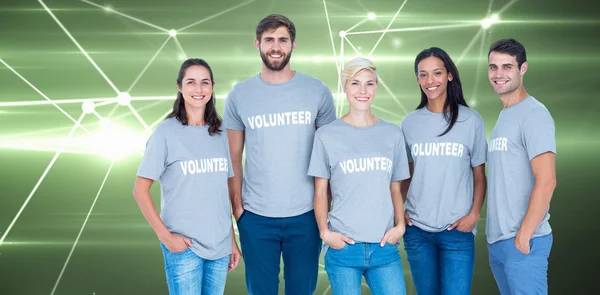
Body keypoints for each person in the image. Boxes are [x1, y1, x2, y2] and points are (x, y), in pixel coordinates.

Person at [222, 14, 337, 295]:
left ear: (293, 45)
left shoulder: (317, 91)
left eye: (282, 40)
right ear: (257, 44)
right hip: (256, 216)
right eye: (269, 40)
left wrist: (329, 207)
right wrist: (238, 209)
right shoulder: (239, 95)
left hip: (307, 214)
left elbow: (333, 156)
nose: (276, 47)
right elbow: (232, 158)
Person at [133, 58, 241, 295]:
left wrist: (231, 240)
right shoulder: (165, 134)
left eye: (204, 82)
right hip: (185, 248)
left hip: (220, 248)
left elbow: (222, 193)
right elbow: (140, 191)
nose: (198, 89)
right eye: (191, 82)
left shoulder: (221, 134)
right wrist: (166, 237)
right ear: (180, 87)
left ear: (212, 87)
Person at [308, 57, 409, 295]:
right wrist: (325, 232)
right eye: (355, 83)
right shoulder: (326, 136)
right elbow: (320, 191)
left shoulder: (393, 135)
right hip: (344, 248)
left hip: (384, 247)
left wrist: (401, 226)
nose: (363, 91)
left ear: (376, 87)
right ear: (345, 87)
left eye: (369, 83)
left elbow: (395, 189)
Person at [400, 47, 488, 295]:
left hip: (457, 231)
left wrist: (473, 215)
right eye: (423, 74)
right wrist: (399, 212)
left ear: (449, 75)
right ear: (417, 79)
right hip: (417, 230)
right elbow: (405, 175)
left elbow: (479, 176)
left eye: (437, 73)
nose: (430, 81)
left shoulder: (471, 120)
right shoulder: (409, 123)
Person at [486, 38, 556, 295]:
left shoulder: (534, 114)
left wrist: (524, 235)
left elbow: (547, 180)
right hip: (499, 242)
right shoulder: (505, 116)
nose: (499, 74)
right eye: (493, 67)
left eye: (507, 67)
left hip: (525, 241)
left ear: (522, 69)